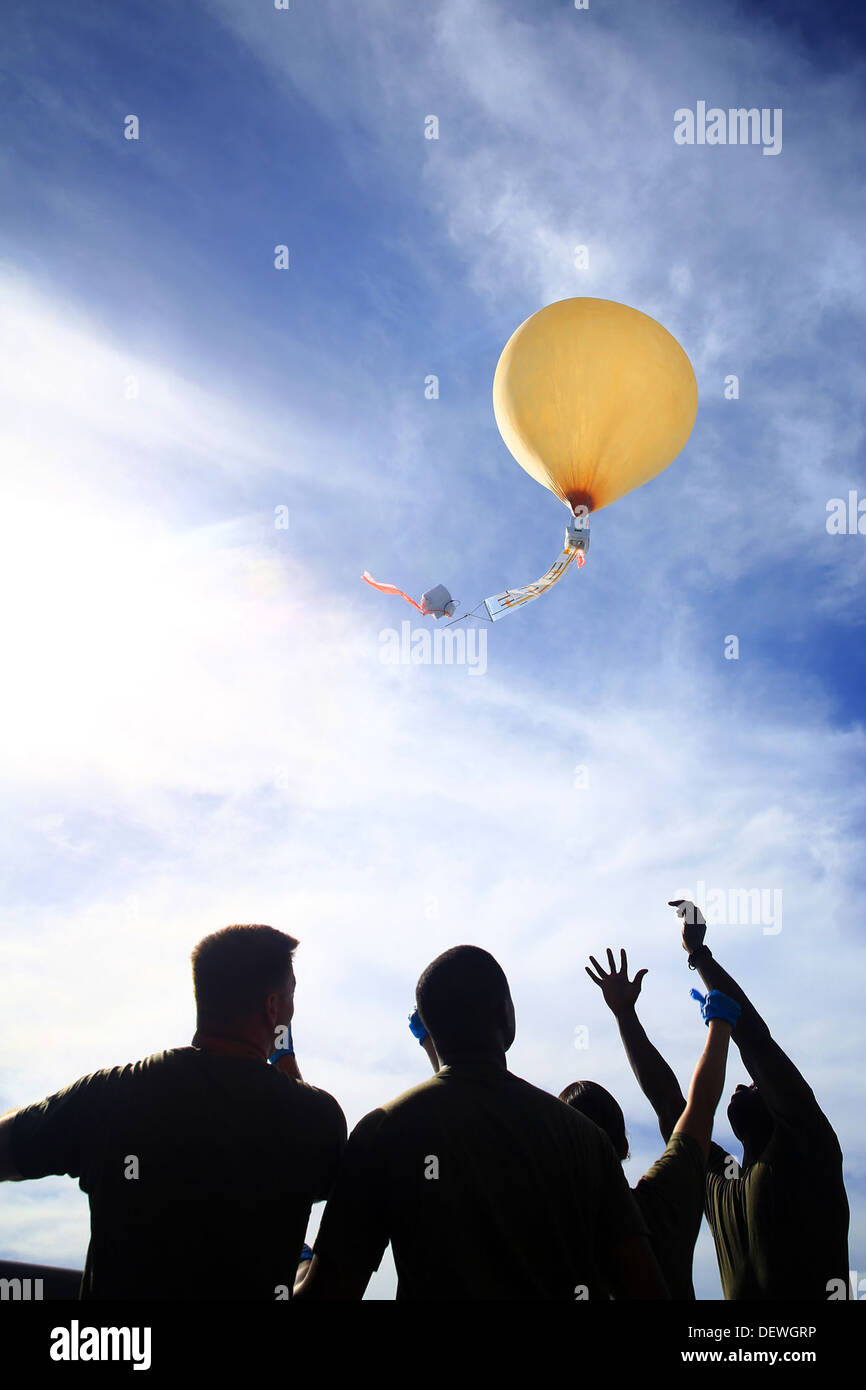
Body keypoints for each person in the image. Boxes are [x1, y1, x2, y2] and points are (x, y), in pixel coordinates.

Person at [295, 945, 668, 1300]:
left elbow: (330, 1292)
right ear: (506, 1015)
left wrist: (296, 1261)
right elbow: (644, 1288)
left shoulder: (382, 1131)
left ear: (430, 1029)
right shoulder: (585, 1138)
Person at [0, 924, 346, 1299]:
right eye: (290, 996)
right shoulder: (317, 1120)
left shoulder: (110, 1094)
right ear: (273, 1006)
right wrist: (283, 1054)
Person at [601, 900, 850, 1300]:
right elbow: (670, 1106)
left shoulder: (806, 1142)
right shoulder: (722, 1178)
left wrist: (699, 955)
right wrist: (625, 1015)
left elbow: (754, 1041)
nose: (738, 1086)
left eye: (752, 1086)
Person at [567, 948, 738, 1299]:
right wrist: (719, 1024)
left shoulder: (538, 1220)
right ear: (623, 1144)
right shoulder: (659, 1205)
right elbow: (694, 1110)